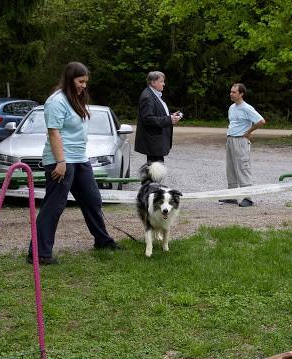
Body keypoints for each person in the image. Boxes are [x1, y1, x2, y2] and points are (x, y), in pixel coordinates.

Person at [28, 62, 120, 265]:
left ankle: (102, 241)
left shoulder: (75, 100)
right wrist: (60, 162)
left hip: (79, 158)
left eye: (86, 82)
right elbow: (54, 132)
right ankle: (39, 253)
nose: (84, 86)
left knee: (92, 199)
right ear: (70, 79)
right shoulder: (56, 101)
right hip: (61, 160)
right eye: (81, 81)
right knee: (54, 206)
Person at [219, 83, 266, 207]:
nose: (231, 94)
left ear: (241, 94)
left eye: (234, 92)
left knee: (243, 168)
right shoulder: (231, 107)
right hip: (230, 140)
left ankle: (248, 198)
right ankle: (232, 195)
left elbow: (261, 121)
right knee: (231, 168)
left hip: (241, 141)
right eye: (231, 91)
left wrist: (248, 132)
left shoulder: (247, 108)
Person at [134, 71, 182, 163]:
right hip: (154, 143)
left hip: (157, 143)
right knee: (155, 172)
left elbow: (158, 113)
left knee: (156, 171)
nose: (164, 84)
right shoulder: (147, 97)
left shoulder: (154, 94)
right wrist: (169, 119)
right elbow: (148, 119)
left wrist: (171, 116)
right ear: (153, 83)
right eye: (161, 81)